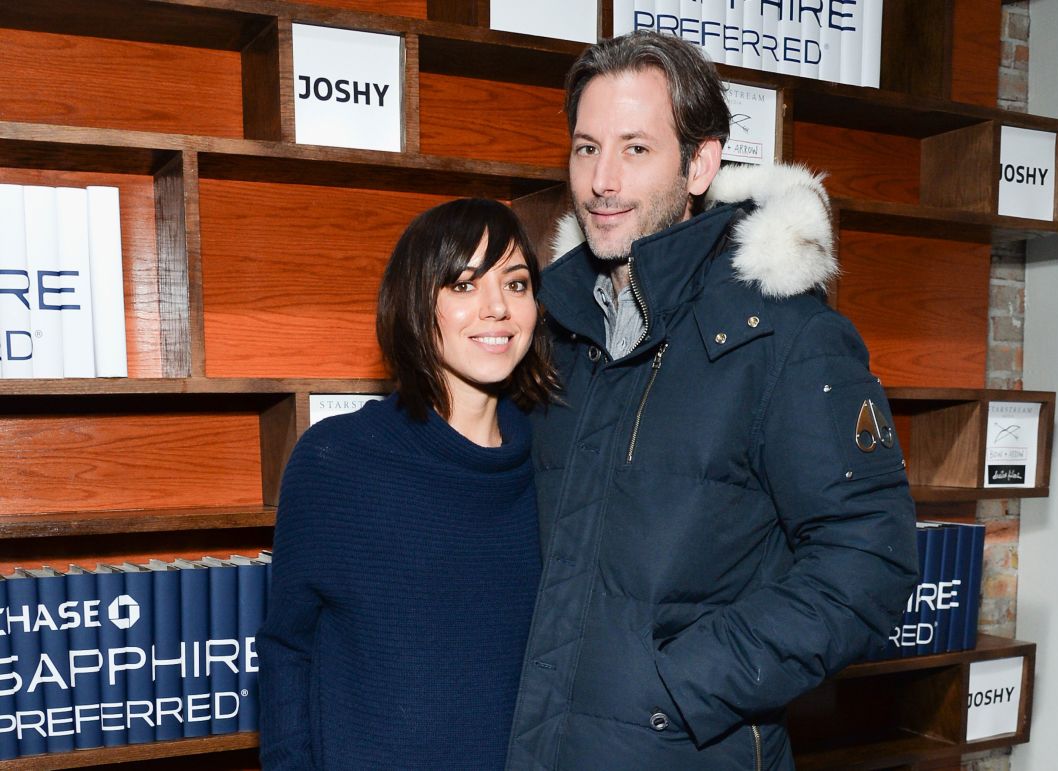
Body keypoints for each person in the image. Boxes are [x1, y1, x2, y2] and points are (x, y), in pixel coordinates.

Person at [506, 32, 919, 770]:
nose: (602, 179)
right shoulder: (558, 328)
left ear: (700, 163)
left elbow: (868, 563)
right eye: (585, 147)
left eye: (636, 149)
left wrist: (687, 682)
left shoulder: (787, 335)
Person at [258, 198, 557, 769]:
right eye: (464, 286)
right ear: (418, 304)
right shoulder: (337, 462)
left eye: (516, 285)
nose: (497, 308)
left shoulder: (556, 464)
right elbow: (286, 650)